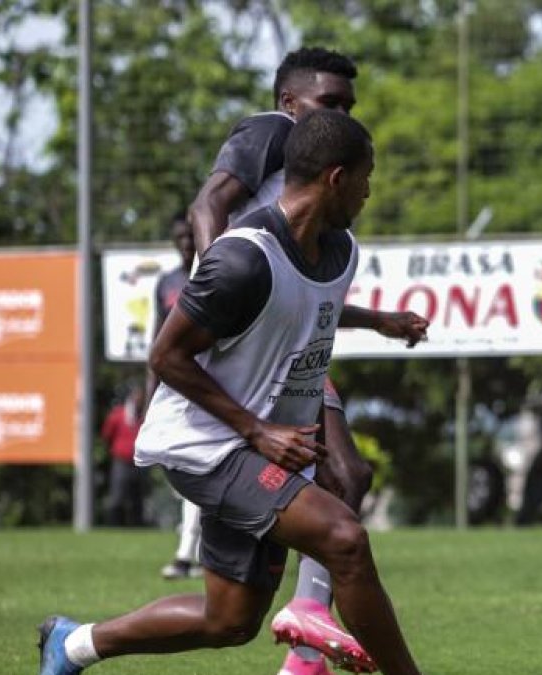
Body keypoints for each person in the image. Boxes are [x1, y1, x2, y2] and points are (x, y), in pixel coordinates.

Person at [37, 109, 426, 675]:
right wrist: (258, 430)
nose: (370, 191)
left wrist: (377, 321)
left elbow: (302, 306)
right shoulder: (242, 258)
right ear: (337, 178)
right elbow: (166, 357)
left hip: (264, 446)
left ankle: (72, 646)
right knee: (345, 539)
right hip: (211, 445)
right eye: (367, 176)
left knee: (230, 620)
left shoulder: (339, 251)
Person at [187, 46, 377, 675]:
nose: (342, 113)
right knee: (344, 480)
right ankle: (309, 626)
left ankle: (306, 636)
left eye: (349, 105)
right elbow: (207, 205)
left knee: (347, 475)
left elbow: (301, 286)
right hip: (249, 350)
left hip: (290, 348)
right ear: (290, 102)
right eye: (330, 103)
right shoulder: (271, 132)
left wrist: (381, 320)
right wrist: (216, 300)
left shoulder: (324, 197)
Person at [148, 211, 204, 580]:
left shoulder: (212, 273)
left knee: (198, 460)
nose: (186, 243)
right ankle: (198, 547)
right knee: (180, 464)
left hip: (206, 380)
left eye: (191, 236)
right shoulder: (166, 282)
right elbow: (157, 340)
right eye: (180, 237)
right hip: (173, 382)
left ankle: (186, 552)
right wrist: (150, 389)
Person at [101, 381, 146, 527]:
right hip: (121, 460)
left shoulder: (144, 416)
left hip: (139, 461)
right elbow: (107, 434)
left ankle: (136, 526)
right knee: (117, 496)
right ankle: (115, 525)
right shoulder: (118, 414)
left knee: (137, 497)